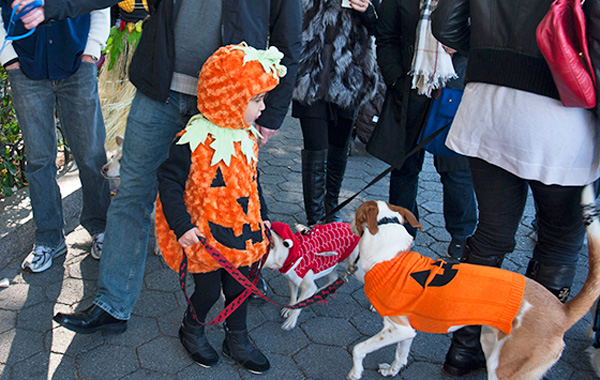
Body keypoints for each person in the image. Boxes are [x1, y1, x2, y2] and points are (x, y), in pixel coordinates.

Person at [37, 0, 301, 335]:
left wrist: (273, 111)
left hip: (228, 101)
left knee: (235, 197)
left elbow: (289, 39)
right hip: (160, 89)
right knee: (132, 194)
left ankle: (243, 274)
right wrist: (52, 6)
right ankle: (112, 304)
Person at [431, 0, 600, 376]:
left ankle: (463, 349)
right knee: (557, 243)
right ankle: (520, 351)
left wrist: (489, 56)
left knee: (490, 235)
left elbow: (446, 23)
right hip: (562, 111)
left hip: (488, 104)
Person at [154, 43, 284, 373]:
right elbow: (168, 183)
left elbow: (251, 184)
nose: (262, 108)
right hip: (204, 235)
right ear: (229, 96)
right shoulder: (192, 140)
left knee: (241, 285)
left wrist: (263, 216)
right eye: (257, 100)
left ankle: (236, 338)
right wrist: (181, 225)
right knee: (209, 289)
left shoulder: (248, 138)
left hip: (243, 231)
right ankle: (192, 329)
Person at [0, 2, 111, 272]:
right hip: (26, 66)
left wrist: (91, 50)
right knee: (39, 159)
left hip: (77, 63)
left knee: (91, 153)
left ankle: (101, 229)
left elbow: (100, 5)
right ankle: (48, 239)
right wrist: (9, 58)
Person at [368, 0, 476, 258]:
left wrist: (460, 49)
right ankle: (401, 230)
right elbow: (386, 36)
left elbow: (484, 37)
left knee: (455, 169)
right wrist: (394, 77)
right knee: (404, 167)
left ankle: (462, 235)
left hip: (453, 87)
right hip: (410, 87)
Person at [292, 0, 379, 225]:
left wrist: (367, 10)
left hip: (349, 75)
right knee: (315, 146)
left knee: (339, 145)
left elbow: (381, 27)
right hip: (311, 71)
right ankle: (315, 216)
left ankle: (331, 205)